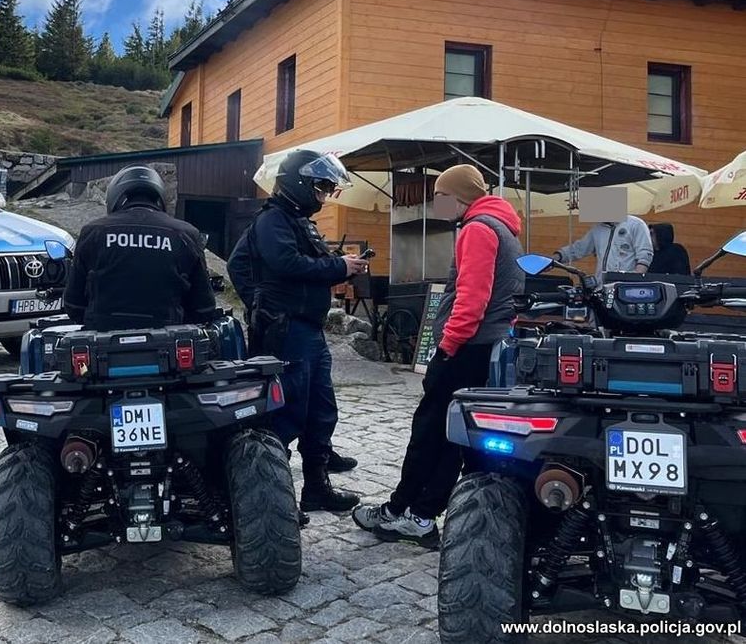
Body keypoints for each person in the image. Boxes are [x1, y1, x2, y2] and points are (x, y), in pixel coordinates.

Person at [353, 164, 524, 547]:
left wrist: (446, 346)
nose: (434, 202)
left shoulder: (477, 229)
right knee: (454, 435)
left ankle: (402, 511)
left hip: (466, 347)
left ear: (456, 197)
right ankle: (421, 513)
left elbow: (472, 298)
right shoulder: (504, 228)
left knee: (430, 431)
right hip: (489, 347)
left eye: (439, 195)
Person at [229, 150, 367, 514]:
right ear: (299, 183)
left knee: (321, 409)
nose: (324, 195)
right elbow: (283, 263)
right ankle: (270, 498)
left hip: (306, 329)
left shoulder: (295, 219)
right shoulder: (273, 220)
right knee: (285, 412)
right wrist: (261, 304)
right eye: (321, 187)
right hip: (286, 330)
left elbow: (248, 263)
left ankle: (317, 485)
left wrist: (340, 267)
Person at [63, 165, 217, 331]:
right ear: (160, 197)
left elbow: (73, 304)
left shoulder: (93, 232)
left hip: (101, 338)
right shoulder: (186, 234)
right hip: (171, 338)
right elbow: (204, 308)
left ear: (115, 195)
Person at [554, 212, 653, 282]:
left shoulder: (635, 224)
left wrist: (636, 278)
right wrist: (556, 258)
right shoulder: (597, 229)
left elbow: (645, 253)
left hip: (624, 286)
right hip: (601, 287)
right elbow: (579, 248)